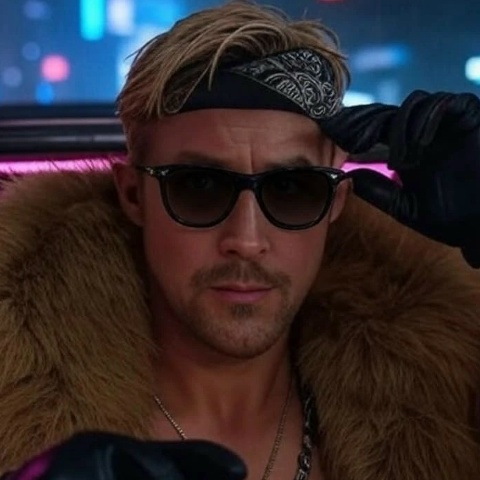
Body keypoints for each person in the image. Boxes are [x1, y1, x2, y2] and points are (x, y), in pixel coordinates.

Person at [0, 1, 479, 479]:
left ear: (336, 201)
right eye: (200, 187)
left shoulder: (456, 400)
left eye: (291, 190)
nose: (246, 240)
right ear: (133, 195)